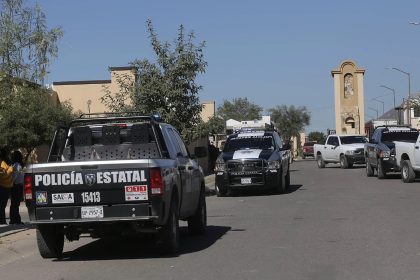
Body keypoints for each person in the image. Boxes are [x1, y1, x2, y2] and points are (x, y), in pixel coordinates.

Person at [10, 150, 24, 224]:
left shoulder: (16, 165)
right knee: (15, 204)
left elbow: (14, 176)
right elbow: (16, 176)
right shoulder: (18, 165)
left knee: (15, 203)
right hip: (17, 186)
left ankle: (14, 219)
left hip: (16, 186)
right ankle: (15, 219)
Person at [0, 148, 13, 225]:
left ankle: (2, 221)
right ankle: (2, 221)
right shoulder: (5, 164)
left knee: (1, 206)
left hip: (3, 187)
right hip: (7, 187)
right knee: (2, 206)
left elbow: (5, 174)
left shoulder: (3, 165)